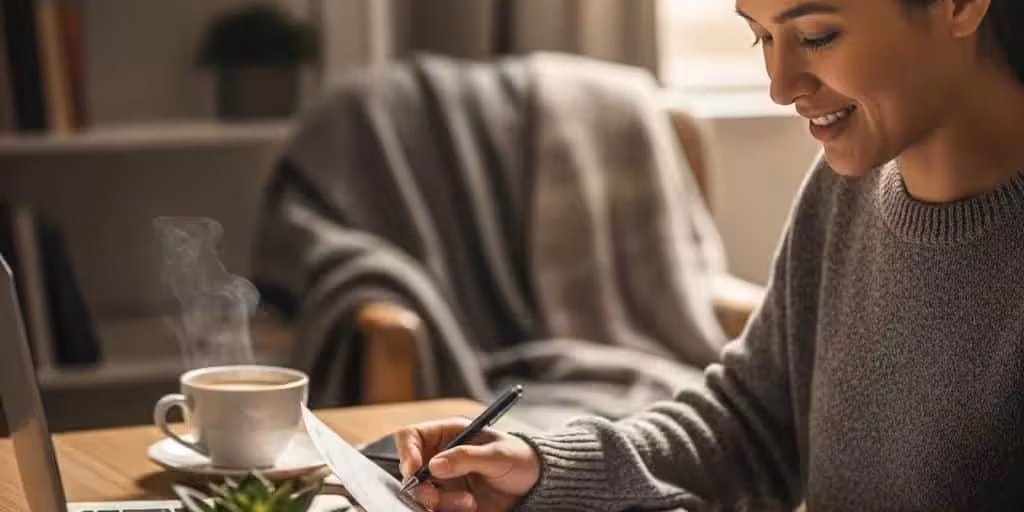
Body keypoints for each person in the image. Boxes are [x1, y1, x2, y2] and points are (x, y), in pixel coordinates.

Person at [394, 0, 1024, 509]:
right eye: (761, 37)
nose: (780, 86)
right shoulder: (844, 191)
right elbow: (751, 423)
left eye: (817, 36)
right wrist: (539, 467)